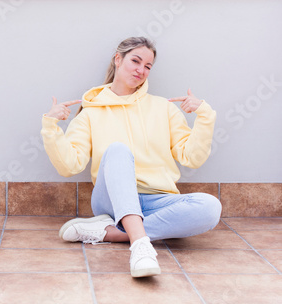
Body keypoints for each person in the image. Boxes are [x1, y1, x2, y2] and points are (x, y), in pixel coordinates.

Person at [40, 37, 221, 278]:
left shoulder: (163, 108)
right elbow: (70, 165)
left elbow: (191, 158)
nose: (141, 70)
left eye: (148, 66)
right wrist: (51, 126)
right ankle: (140, 247)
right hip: (111, 201)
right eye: (136, 61)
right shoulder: (90, 112)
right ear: (118, 59)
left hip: (157, 200)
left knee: (210, 207)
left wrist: (204, 116)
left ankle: (111, 233)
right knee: (117, 150)